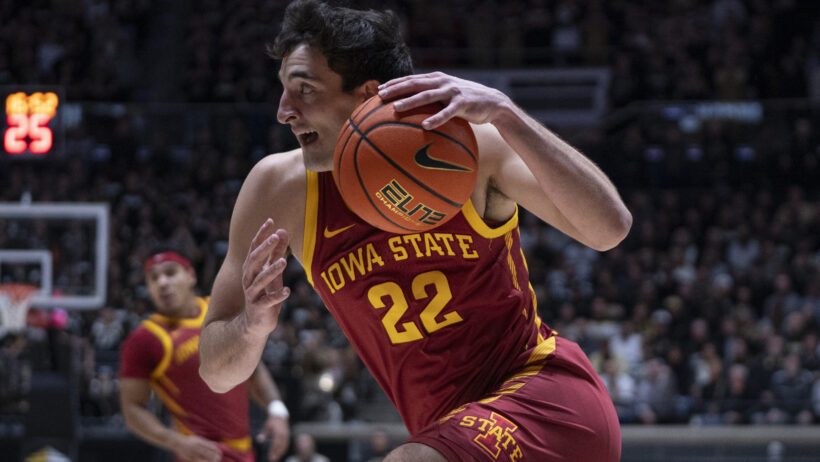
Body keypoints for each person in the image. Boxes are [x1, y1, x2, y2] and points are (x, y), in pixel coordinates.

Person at [199, 1, 631, 460]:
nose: (284, 111)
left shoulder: (468, 148)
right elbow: (216, 372)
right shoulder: (277, 189)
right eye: (283, 90)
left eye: (304, 90)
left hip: (545, 398)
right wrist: (251, 326)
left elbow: (609, 228)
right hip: (449, 432)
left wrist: (507, 114)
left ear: (367, 93)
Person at [120, 249, 291, 462]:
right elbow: (132, 409)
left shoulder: (219, 311)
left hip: (246, 451)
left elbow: (253, 369)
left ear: (191, 275)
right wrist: (175, 441)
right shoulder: (144, 339)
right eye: (153, 278)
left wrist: (277, 410)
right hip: (201, 454)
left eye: (170, 273)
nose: (162, 283)